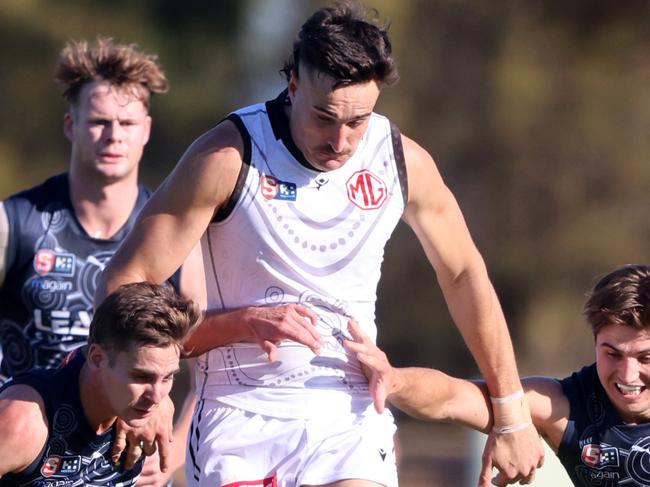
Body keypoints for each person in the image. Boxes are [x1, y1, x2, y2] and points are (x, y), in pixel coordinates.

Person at [97, 3, 543, 486]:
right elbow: (126, 280)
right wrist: (151, 393)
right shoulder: (229, 155)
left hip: (348, 411)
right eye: (324, 117)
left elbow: (463, 274)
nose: (340, 140)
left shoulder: (399, 160)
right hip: (238, 412)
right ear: (293, 86)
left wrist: (511, 414)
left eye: (358, 121)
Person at [0, 37, 203, 485]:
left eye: (127, 123)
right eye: (99, 121)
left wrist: (174, 447)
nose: (114, 135)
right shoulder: (16, 223)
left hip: (121, 461)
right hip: (26, 451)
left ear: (147, 129)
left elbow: (209, 361)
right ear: (71, 125)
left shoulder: (175, 238)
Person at [345, 264, 650, 487]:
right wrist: (395, 380)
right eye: (612, 354)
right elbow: (453, 398)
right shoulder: (566, 408)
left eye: (645, 357)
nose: (628, 374)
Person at [0, 282, 200, 486]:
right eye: (141, 376)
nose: (156, 397)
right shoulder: (24, 422)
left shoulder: (142, 413)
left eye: (167, 377)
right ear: (96, 358)